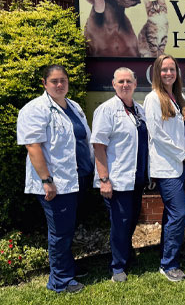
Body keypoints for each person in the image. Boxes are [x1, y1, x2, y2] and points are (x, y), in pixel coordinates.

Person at [17, 65, 93, 293]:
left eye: (63, 80)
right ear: (44, 83)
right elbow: (33, 146)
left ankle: (67, 267)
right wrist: (46, 180)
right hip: (55, 184)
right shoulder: (36, 109)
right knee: (59, 232)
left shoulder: (74, 107)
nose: (59, 85)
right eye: (54, 81)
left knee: (67, 229)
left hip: (77, 179)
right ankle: (59, 281)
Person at [90, 67, 149, 282]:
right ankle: (117, 267)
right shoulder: (106, 110)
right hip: (116, 179)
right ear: (114, 85)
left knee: (131, 220)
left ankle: (126, 255)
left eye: (129, 81)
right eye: (121, 81)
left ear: (135, 84)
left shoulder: (140, 110)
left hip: (136, 178)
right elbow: (98, 145)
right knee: (120, 223)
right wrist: (104, 179)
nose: (125, 85)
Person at [144, 55, 185, 282]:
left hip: (182, 166)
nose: (168, 73)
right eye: (164, 70)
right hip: (168, 168)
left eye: (172, 69)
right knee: (179, 213)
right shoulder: (152, 99)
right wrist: (182, 154)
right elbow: (158, 135)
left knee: (171, 214)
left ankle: (169, 253)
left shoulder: (179, 96)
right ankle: (168, 265)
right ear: (158, 73)